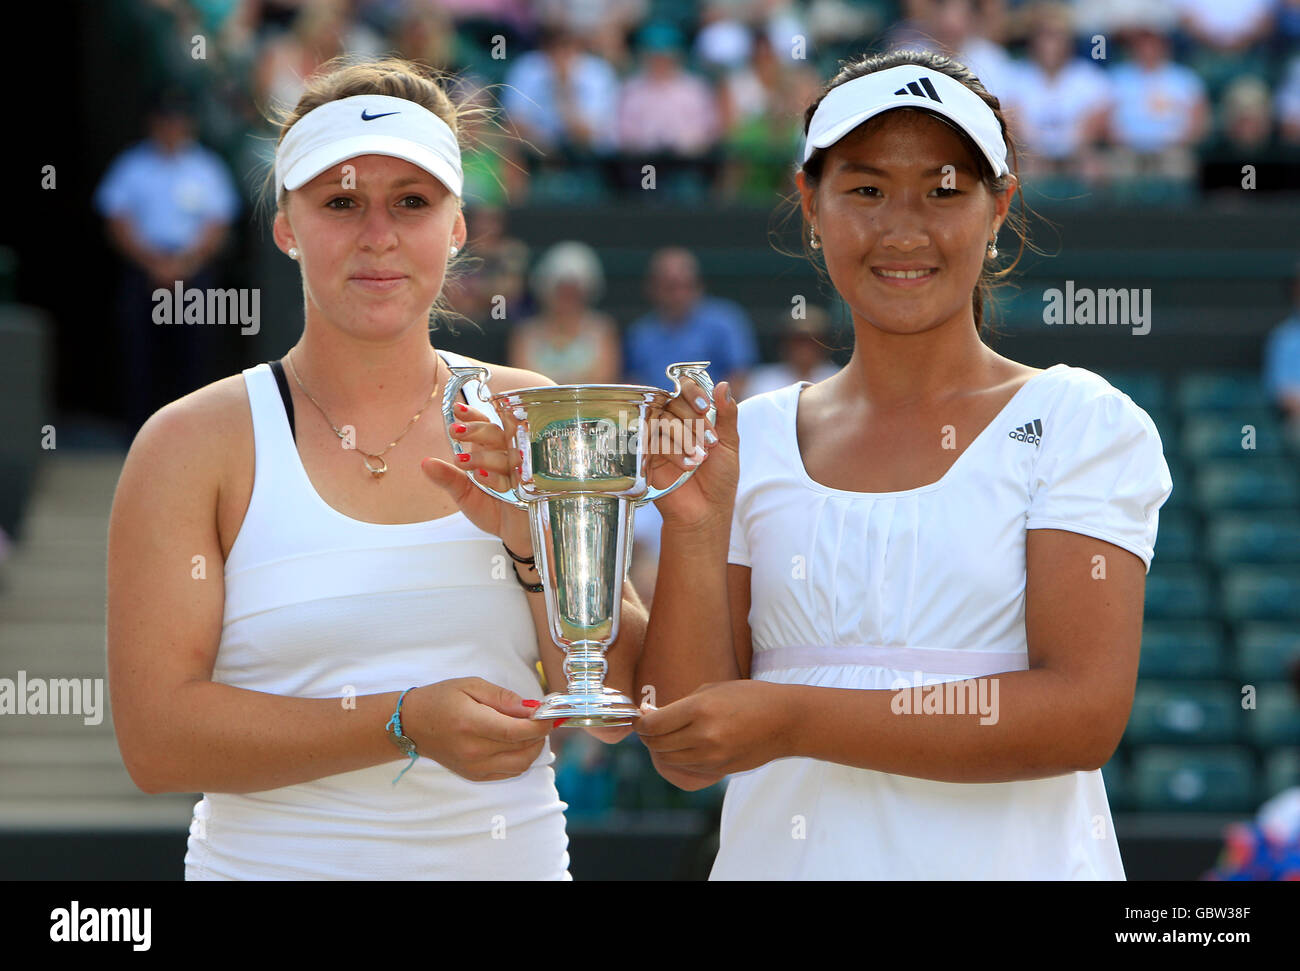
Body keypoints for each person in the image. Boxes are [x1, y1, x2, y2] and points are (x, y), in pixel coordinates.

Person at [105, 57, 714, 880]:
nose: (378, 236)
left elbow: (615, 707)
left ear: (458, 226)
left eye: (413, 203)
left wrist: (532, 547)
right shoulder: (188, 442)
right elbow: (156, 742)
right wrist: (400, 722)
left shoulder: (531, 409)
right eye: (342, 203)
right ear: (287, 225)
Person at [635, 49, 1173, 879]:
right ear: (809, 202)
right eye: (867, 188)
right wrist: (696, 529)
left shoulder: (1080, 422)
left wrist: (792, 717)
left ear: (1000, 209)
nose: (904, 228)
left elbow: (1079, 715)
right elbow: (688, 751)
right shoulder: (753, 437)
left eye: (944, 189)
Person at [94, 90, 241, 433]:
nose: (172, 128)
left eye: (178, 121)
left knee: (195, 355)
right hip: (143, 271)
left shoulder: (207, 167)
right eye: (165, 121)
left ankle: (193, 432)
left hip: (193, 273)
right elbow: (117, 221)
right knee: (138, 354)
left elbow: (217, 224)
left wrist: (185, 264)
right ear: (153, 124)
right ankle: (138, 431)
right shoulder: (132, 165)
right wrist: (153, 264)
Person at [623, 247, 759, 396]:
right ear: (652, 288)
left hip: (712, 413)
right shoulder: (640, 332)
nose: (679, 295)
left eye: (686, 286)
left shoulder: (725, 321)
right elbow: (633, 382)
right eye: (670, 287)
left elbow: (739, 377)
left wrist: (710, 412)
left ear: (700, 285)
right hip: (656, 415)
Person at [507, 241, 621, 384]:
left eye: (572, 292)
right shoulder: (525, 333)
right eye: (561, 291)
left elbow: (604, 379)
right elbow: (523, 383)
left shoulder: (603, 329)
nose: (566, 299)